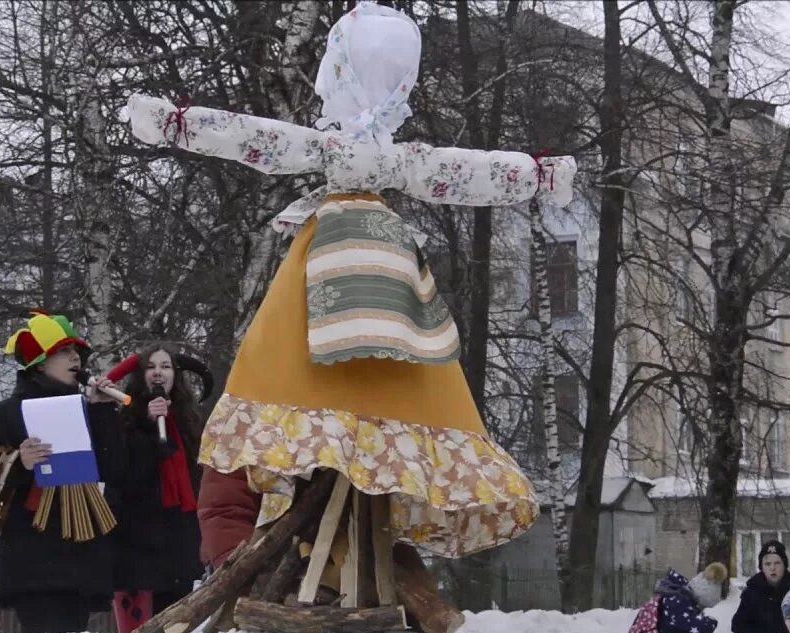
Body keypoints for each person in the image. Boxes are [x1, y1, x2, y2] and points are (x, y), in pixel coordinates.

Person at [122, 1, 577, 573]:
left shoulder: (329, 147)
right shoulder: (400, 157)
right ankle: (375, 538)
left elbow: (254, 139)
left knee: (286, 373)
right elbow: (467, 171)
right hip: (392, 282)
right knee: (395, 390)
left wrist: (176, 122)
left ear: (338, 76)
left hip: (323, 275)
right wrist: (538, 175)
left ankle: (301, 537)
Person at [0, 310, 124, 633]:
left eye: (77, 351)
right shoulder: (4, 415)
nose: (75, 357)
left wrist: (103, 411)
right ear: (38, 362)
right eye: (64, 351)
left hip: (81, 555)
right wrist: (17, 461)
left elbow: (116, 468)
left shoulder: (89, 409)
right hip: (33, 559)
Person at [99, 346, 213, 633]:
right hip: (135, 542)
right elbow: (121, 476)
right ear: (141, 376)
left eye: (166, 366)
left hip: (178, 539)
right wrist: (148, 427)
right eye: (151, 367)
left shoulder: (190, 421)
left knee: (174, 631)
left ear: (176, 376)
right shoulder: (124, 419)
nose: (158, 372)